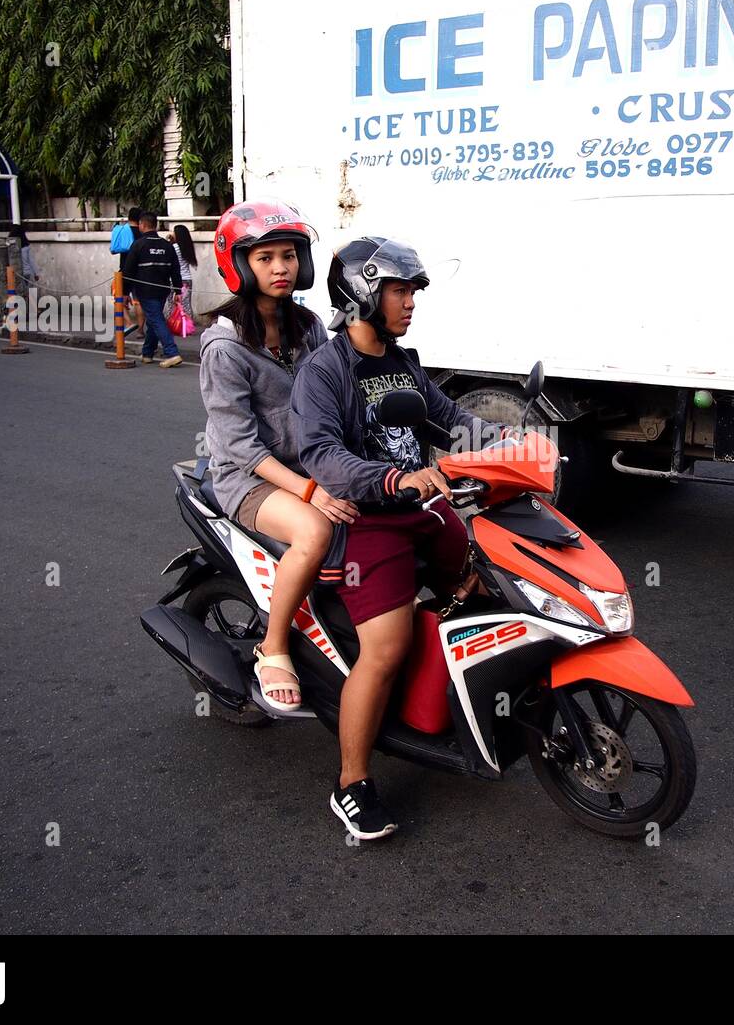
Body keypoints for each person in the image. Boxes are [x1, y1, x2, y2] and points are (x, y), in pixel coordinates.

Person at [290, 236, 501, 840]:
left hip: (420, 505)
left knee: (485, 581)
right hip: (367, 518)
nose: (410, 303)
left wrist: (513, 443)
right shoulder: (324, 371)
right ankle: (352, 784)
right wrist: (393, 477)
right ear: (362, 292)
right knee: (384, 650)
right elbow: (322, 455)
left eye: (412, 291)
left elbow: (448, 419)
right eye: (398, 290)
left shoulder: (402, 361)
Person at [200, 200, 358, 710]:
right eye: (265, 257)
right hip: (247, 478)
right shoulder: (224, 348)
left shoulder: (309, 326)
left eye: (288, 256)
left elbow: (333, 396)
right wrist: (313, 490)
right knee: (315, 530)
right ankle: (273, 649)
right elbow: (241, 447)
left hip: (307, 463)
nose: (280, 268)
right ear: (240, 265)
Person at [122, 211, 183, 367]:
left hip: (145, 290)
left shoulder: (138, 245)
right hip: (163, 290)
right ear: (155, 225)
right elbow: (176, 269)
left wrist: (124, 293)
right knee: (153, 319)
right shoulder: (167, 246)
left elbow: (128, 271)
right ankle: (147, 352)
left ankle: (172, 352)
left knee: (156, 319)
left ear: (142, 225)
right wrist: (177, 290)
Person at [117, 207, 144, 336]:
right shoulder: (143, 231)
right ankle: (140, 330)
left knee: (119, 298)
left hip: (124, 271)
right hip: (140, 271)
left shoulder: (124, 231)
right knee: (138, 301)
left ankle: (128, 323)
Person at [167, 223, 197, 327]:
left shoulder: (174, 247)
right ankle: (188, 326)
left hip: (174, 280)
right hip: (187, 279)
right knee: (186, 304)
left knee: (172, 303)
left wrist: (169, 241)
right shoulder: (187, 247)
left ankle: (173, 325)